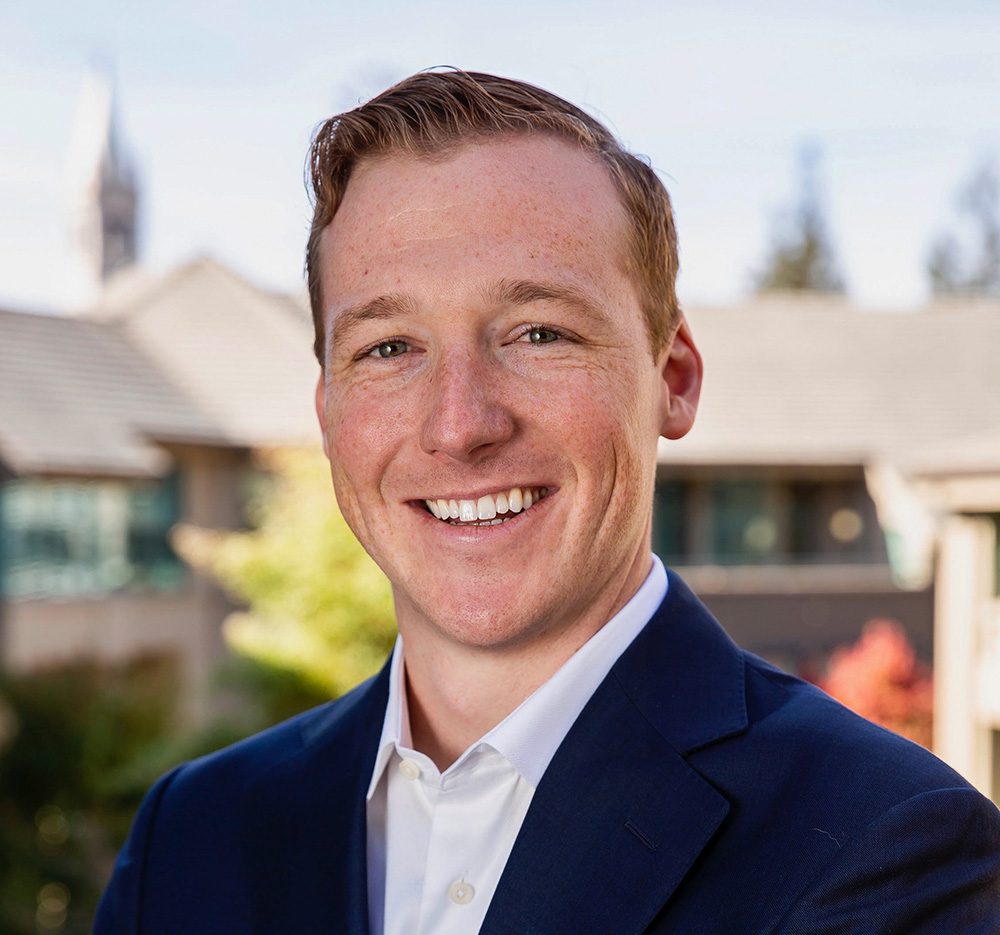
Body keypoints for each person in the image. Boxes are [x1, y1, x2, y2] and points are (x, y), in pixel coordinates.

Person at [96, 69, 1000, 934]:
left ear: (672, 378)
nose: (460, 425)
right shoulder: (191, 837)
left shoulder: (883, 846)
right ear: (328, 410)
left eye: (539, 332)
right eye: (388, 347)